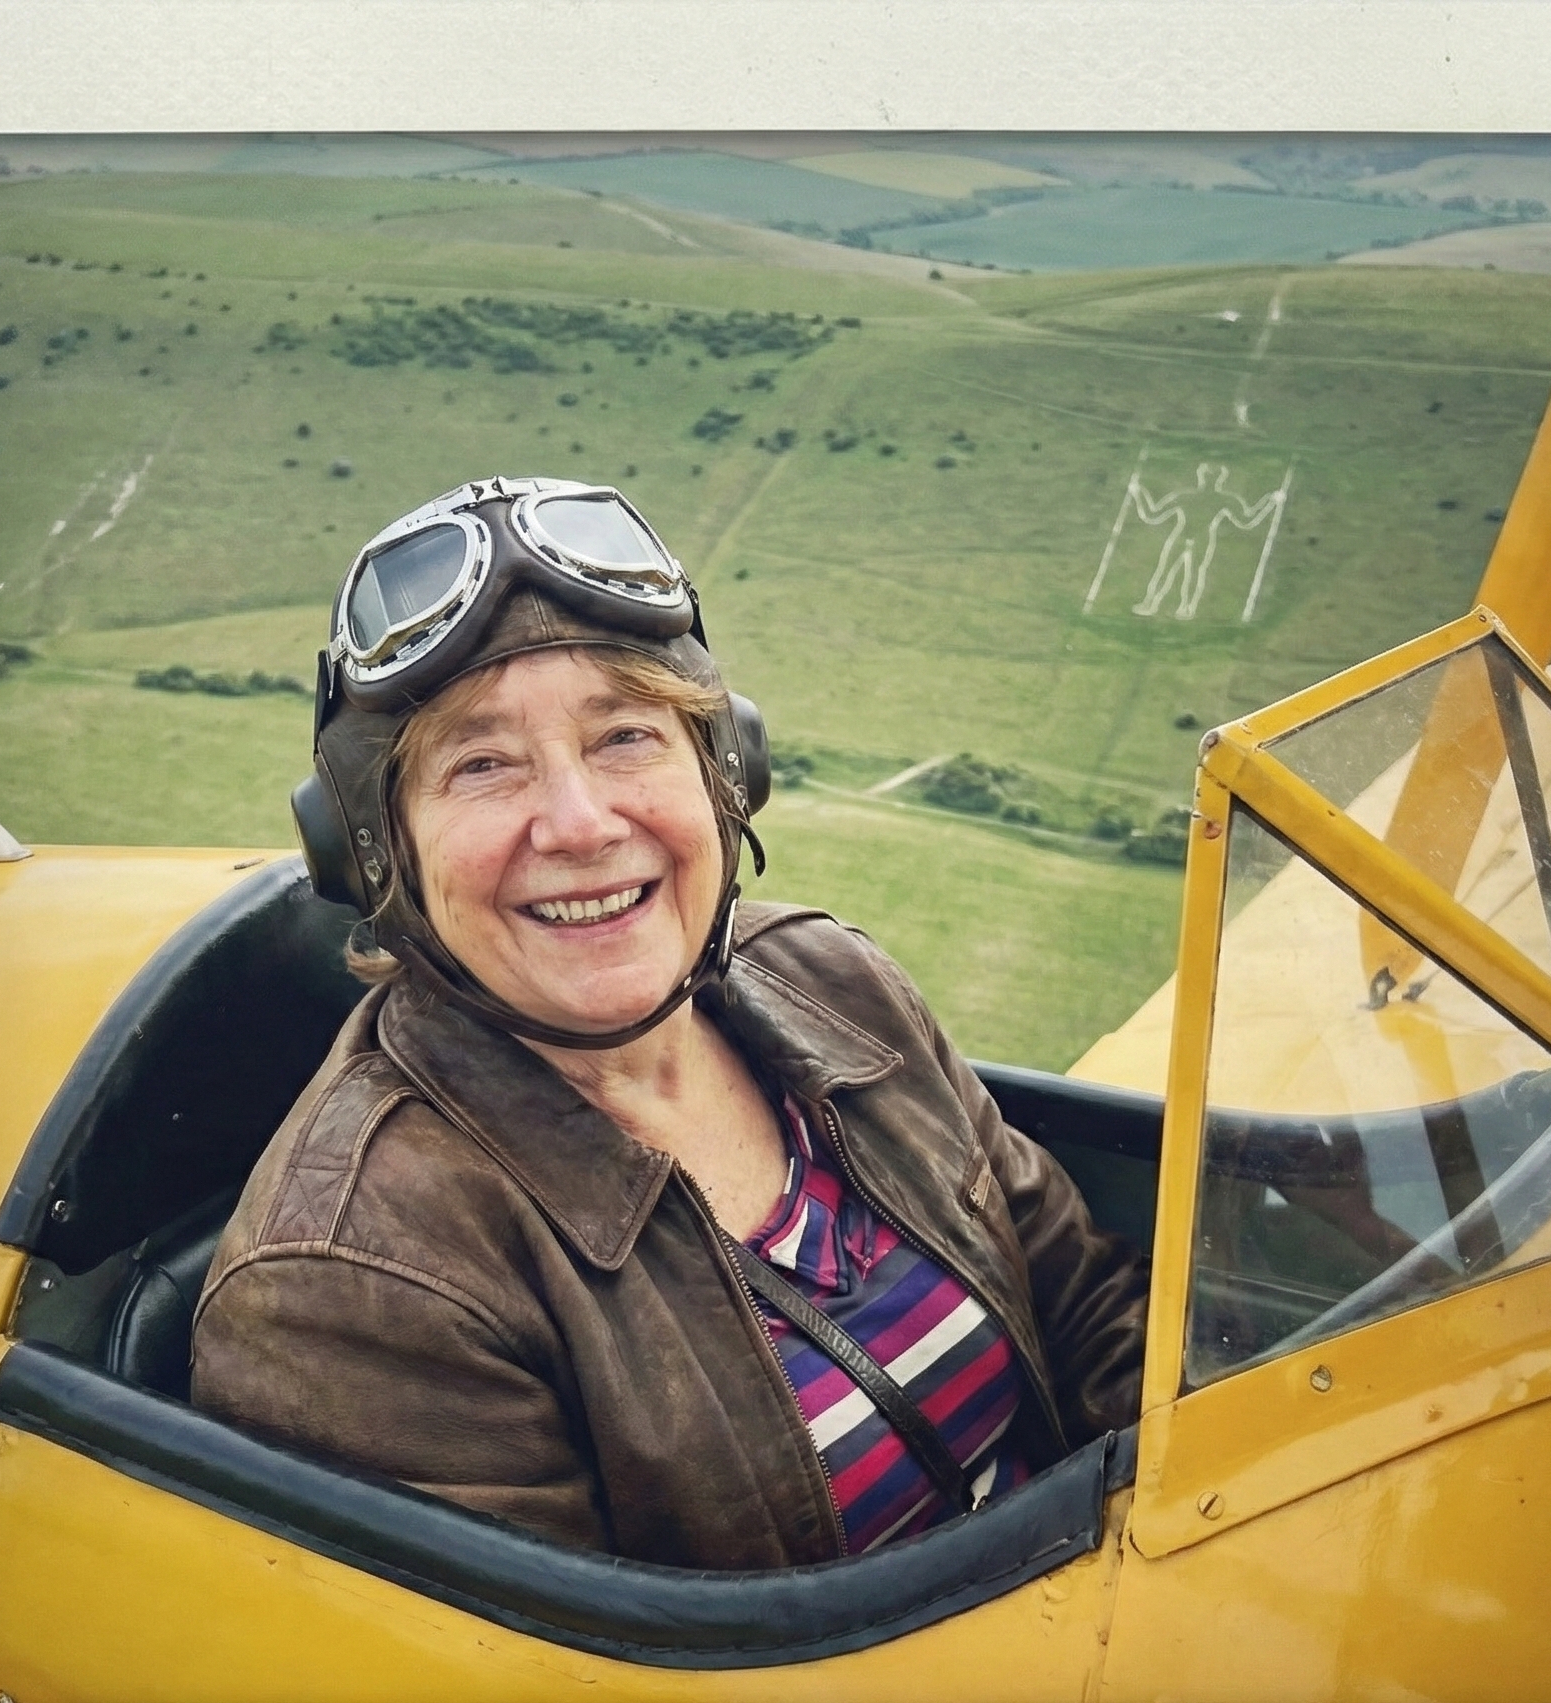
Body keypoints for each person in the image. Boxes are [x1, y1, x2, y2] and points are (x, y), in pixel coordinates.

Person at [191, 474, 1149, 1570]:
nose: (580, 822)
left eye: (625, 738)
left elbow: (1088, 1313)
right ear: (376, 855)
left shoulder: (828, 980)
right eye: (482, 763)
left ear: (725, 771)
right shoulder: (350, 1285)